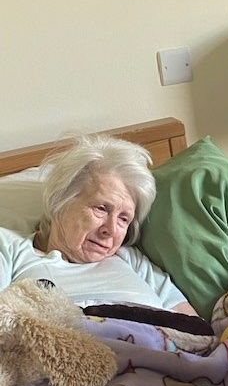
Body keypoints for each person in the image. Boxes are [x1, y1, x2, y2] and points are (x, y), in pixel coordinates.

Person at [0, 134, 198, 316]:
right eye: (102, 208)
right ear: (60, 202)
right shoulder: (11, 248)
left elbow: (197, 331)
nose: (111, 231)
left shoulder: (130, 258)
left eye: (124, 219)